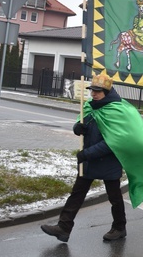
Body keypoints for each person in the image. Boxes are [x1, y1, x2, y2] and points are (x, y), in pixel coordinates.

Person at [41, 73, 126, 242]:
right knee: (77, 194)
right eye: (92, 90)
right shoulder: (91, 106)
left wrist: (86, 154)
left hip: (108, 162)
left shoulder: (116, 111)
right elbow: (82, 122)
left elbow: (112, 142)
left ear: (107, 92)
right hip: (90, 161)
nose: (93, 94)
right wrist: (78, 128)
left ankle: (119, 227)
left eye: (98, 91)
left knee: (114, 198)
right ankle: (64, 228)